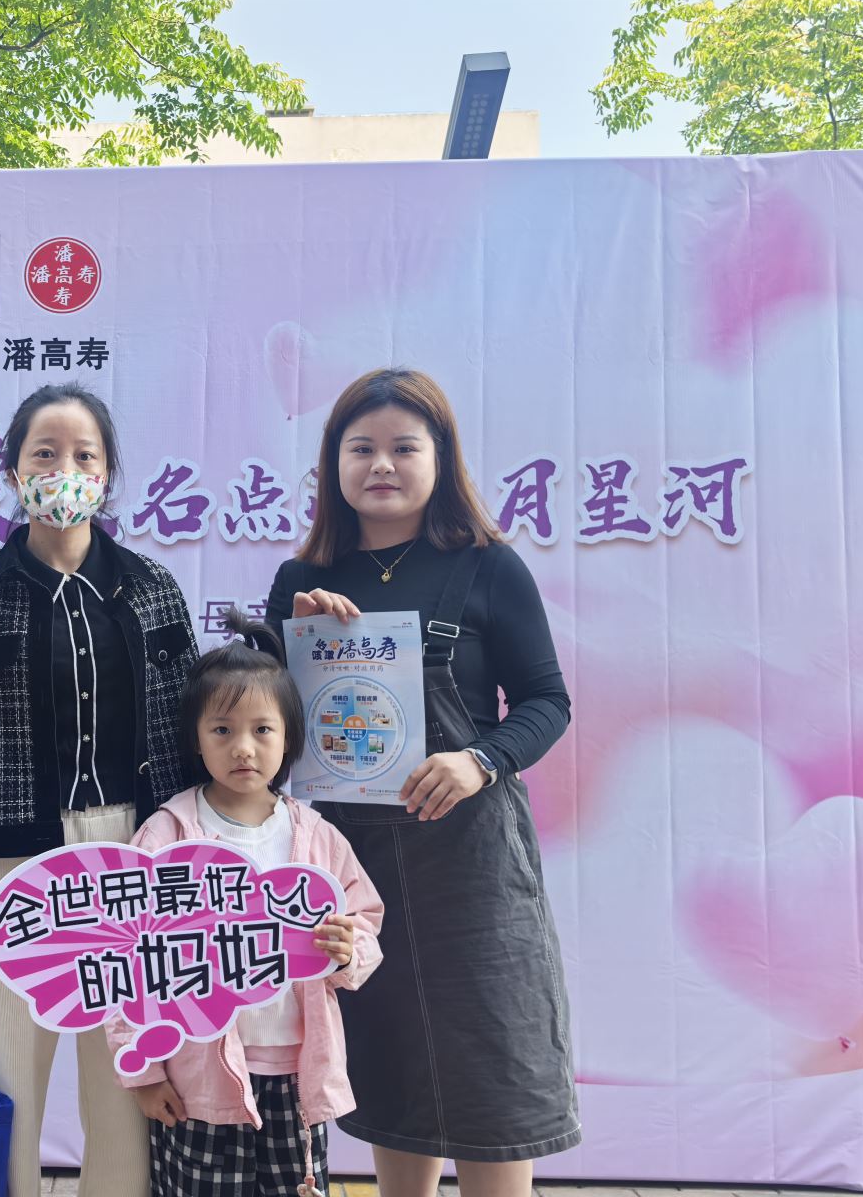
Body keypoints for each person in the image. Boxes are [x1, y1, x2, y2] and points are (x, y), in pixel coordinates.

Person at [265, 368, 580, 1197]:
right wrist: (291, 649)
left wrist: (480, 760)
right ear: (333, 463)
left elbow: (546, 702)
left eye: (405, 447)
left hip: (472, 860)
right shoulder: (300, 581)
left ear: (440, 459)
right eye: (360, 448)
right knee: (390, 1059)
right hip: (351, 862)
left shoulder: (488, 567)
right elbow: (263, 727)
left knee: (494, 1061)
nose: (382, 464)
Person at [0, 382, 200, 1197]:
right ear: (13, 472)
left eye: (84, 455)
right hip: (10, 868)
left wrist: (200, 869)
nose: (65, 470)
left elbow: (196, 730)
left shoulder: (152, 589)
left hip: (135, 860)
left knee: (128, 1081)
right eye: (45, 453)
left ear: (107, 475)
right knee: (8, 1089)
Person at [109, 607, 385, 1197]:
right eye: (222, 730)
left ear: (289, 738)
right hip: (196, 1074)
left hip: (297, 1070)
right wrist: (144, 1069)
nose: (243, 748)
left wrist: (347, 951)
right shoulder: (166, 836)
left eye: (263, 730)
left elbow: (364, 922)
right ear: (195, 739)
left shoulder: (315, 836)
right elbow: (126, 960)